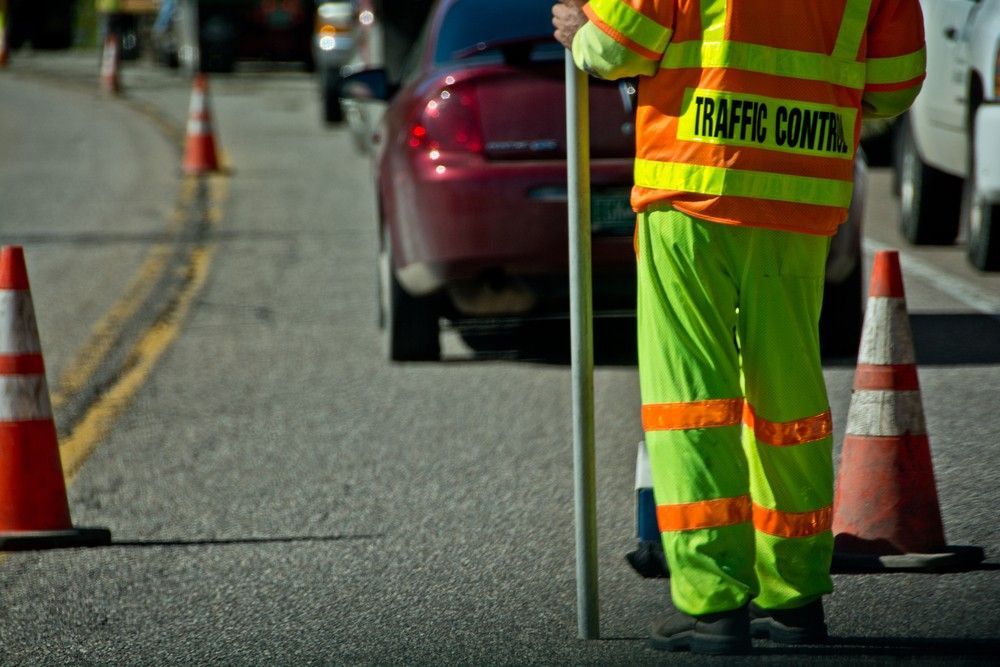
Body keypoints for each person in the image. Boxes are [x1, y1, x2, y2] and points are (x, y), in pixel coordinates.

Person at [553, 0, 925, 655]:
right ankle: (795, 599)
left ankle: (716, 604)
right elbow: (895, 84)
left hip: (692, 187)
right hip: (798, 197)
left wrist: (579, 34)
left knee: (692, 404)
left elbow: (618, 43)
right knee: (789, 402)